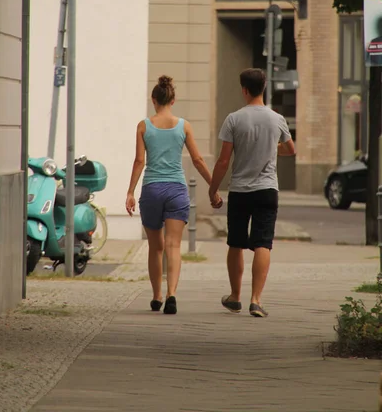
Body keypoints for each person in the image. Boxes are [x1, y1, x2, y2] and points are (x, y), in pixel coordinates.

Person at [126, 75, 222, 315]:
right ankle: (171, 295)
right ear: (174, 99)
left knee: (155, 247)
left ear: (153, 99)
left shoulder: (143, 126)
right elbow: (198, 160)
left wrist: (130, 192)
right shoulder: (184, 126)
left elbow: (139, 161)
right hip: (177, 189)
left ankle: (156, 296)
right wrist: (213, 187)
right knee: (174, 246)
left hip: (151, 189)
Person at [209, 68, 295, 318]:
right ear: (264, 87)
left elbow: (224, 161)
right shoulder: (276, 118)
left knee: (236, 242)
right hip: (267, 190)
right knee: (263, 243)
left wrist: (213, 189)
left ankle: (235, 297)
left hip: (239, 191)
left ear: (244, 90)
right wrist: (272, 147)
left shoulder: (234, 119)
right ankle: (256, 301)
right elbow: (291, 149)